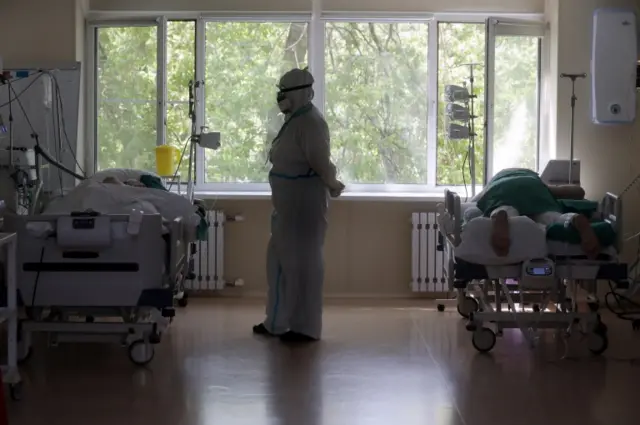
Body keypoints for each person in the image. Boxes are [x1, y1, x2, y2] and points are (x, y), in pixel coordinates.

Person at [253, 68, 344, 343]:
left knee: (303, 266)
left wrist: (332, 183)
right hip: (287, 207)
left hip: (304, 206)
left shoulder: (311, 123)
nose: (280, 98)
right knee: (279, 265)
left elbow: (320, 161)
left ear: (303, 93)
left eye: (284, 93)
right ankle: (277, 322)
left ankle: (304, 328)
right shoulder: (295, 119)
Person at [473, 168, 600, 259]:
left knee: (504, 208)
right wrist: (548, 189)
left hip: (501, 190)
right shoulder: (534, 179)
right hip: (534, 190)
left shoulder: (495, 182)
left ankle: (500, 215)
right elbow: (579, 192)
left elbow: (476, 202)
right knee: (549, 216)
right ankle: (572, 218)